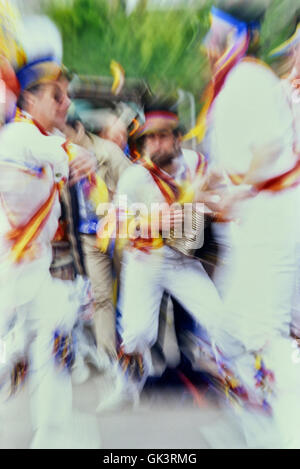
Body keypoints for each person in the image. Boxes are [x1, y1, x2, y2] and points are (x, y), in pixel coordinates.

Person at [201, 0, 300, 448]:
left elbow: (267, 148)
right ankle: (263, 430)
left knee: (263, 337)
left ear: (236, 38)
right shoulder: (233, 85)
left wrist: (241, 190)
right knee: (228, 335)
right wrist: (211, 186)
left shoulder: (250, 79)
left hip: (271, 216)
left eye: (213, 34)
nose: (206, 44)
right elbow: (232, 162)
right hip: (254, 223)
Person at [0, 14, 99, 448]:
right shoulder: (20, 138)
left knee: (55, 345)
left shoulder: (33, 137)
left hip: (33, 274)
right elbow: (63, 155)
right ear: (30, 98)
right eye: (57, 95)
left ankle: (50, 439)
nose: (65, 103)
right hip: (8, 276)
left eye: (66, 94)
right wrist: (83, 155)